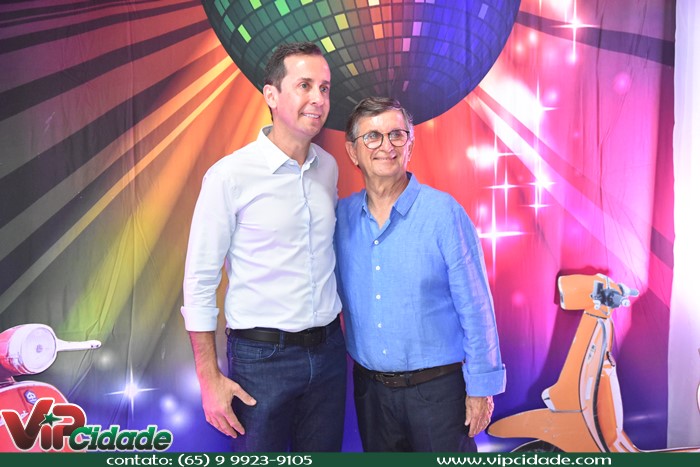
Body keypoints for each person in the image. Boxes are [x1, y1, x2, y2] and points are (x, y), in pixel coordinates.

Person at [180, 42, 346, 452]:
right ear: (271, 95)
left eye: (324, 88)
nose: (318, 98)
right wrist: (208, 379)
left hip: (329, 354)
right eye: (304, 85)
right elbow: (199, 281)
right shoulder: (229, 176)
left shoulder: (328, 168)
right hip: (262, 360)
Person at [334, 97, 506, 452]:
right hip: (371, 395)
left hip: (438, 395)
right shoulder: (341, 219)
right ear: (353, 151)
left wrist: (481, 389)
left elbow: (476, 308)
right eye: (372, 136)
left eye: (396, 135)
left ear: (410, 145)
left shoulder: (443, 213)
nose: (386, 146)